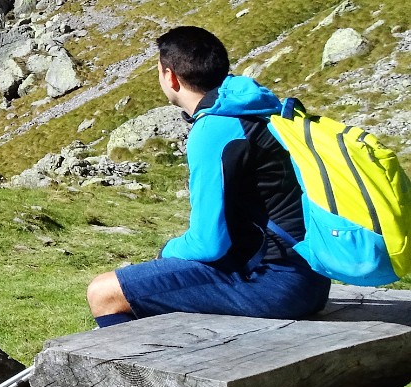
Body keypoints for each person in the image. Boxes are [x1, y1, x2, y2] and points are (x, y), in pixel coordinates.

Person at [87, 26, 330, 326]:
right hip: (311, 275)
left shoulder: (215, 128)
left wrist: (167, 251)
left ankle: (141, 371)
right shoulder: (260, 110)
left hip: (276, 283)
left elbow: (208, 245)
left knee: (104, 293)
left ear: (169, 76)